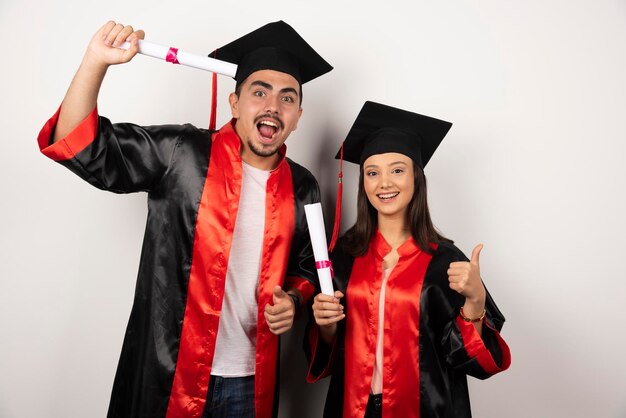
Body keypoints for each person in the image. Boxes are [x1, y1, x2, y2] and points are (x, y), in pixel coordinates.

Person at [37, 20, 332, 418]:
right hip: (168, 373)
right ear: (234, 102)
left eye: (287, 99)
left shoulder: (302, 186)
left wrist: (294, 301)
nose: (272, 108)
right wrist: (96, 61)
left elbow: (307, 270)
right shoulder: (183, 152)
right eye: (259, 92)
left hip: (250, 383)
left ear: (297, 116)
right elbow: (80, 144)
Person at [305, 101, 511, 418]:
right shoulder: (345, 257)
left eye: (397, 170)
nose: (384, 183)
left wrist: (475, 302)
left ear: (416, 179)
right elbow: (328, 352)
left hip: (426, 410)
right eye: (373, 173)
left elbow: (472, 363)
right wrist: (326, 325)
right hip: (353, 409)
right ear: (364, 184)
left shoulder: (446, 260)